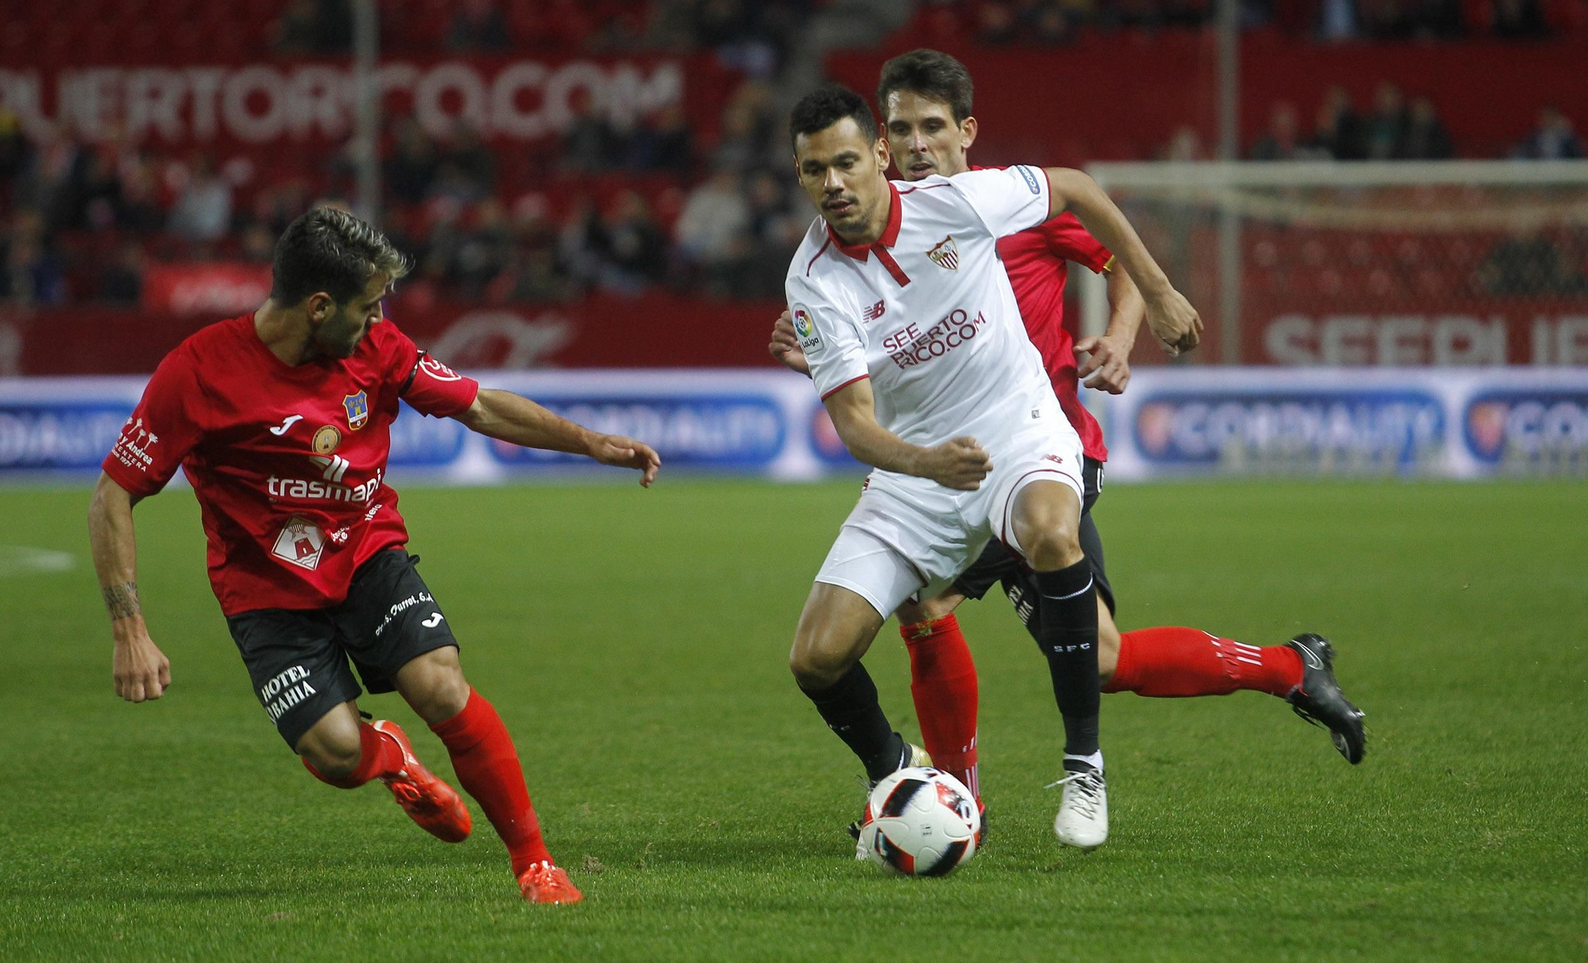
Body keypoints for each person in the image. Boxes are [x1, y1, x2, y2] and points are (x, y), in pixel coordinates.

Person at [770, 50, 1368, 827]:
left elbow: (1105, 240)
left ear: (958, 132)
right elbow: (865, 403)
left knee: (966, 601)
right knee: (952, 628)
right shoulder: (822, 271)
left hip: (1035, 444)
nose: (916, 145)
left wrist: (1136, 317)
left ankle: (1010, 782)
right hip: (929, 466)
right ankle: (935, 793)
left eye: (929, 128)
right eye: (903, 127)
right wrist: (836, 362)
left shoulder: (986, 202)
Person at [88, 206, 661, 905]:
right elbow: (112, 494)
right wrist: (130, 630)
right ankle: (390, 754)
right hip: (265, 592)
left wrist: (592, 442)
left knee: (441, 683)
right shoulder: (199, 372)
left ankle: (535, 863)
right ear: (318, 305)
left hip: (364, 550)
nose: (377, 318)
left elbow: (478, 406)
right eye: (366, 305)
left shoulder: (376, 346)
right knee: (332, 752)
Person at [783, 83, 1202, 855]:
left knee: (1050, 532)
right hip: (917, 467)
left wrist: (1158, 287)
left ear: (879, 155)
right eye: (815, 172)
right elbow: (854, 426)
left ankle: (1084, 765)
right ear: (801, 175)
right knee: (816, 656)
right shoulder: (812, 281)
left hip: (1018, 426)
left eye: (847, 162)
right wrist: (925, 462)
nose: (834, 185)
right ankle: (899, 774)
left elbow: (1073, 186)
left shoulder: (956, 202)